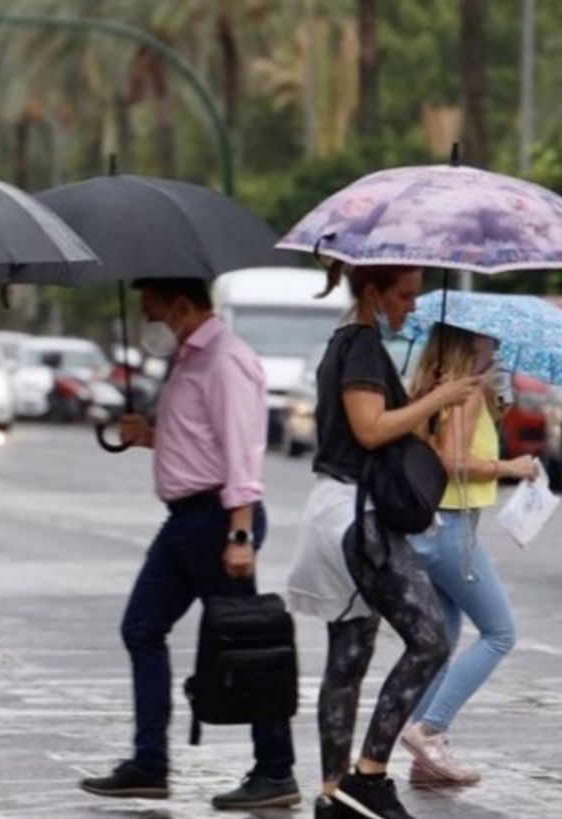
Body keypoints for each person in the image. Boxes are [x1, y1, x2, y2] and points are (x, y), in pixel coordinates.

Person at [79, 278, 300, 811]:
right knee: (142, 628)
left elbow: (242, 450)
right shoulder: (189, 357)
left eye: (152, 311)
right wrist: (149, 436)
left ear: (181, 305)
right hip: (185, 521)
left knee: (250, 647)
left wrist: (240, 534)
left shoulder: (225, 359)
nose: (148, 323)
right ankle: (149, 764)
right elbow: (200, 441)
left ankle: (276, 770)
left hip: (218, 519)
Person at [287, 264, 481, 819]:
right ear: (373, 292)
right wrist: (438, 398)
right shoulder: (364, 346)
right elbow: (370, 430)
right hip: (358, 518)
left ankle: (334, 794)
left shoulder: (344, 343)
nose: (412, 306)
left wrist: (429, 398)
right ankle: (369, 776)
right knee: (430, 639)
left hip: (333, 513)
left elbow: (376, 428)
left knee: (348, 657)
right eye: (404, 294)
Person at [400, 326, 531, 785]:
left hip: (428, 526)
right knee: (500, 633)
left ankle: (425, 758)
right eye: (490, 340)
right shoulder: (465, 391)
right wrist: (510, 466)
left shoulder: (433, 389)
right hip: (452, 530)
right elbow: (452, 460)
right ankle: (428, 730)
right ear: (470, 344)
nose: (497, 346)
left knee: (443, 638)